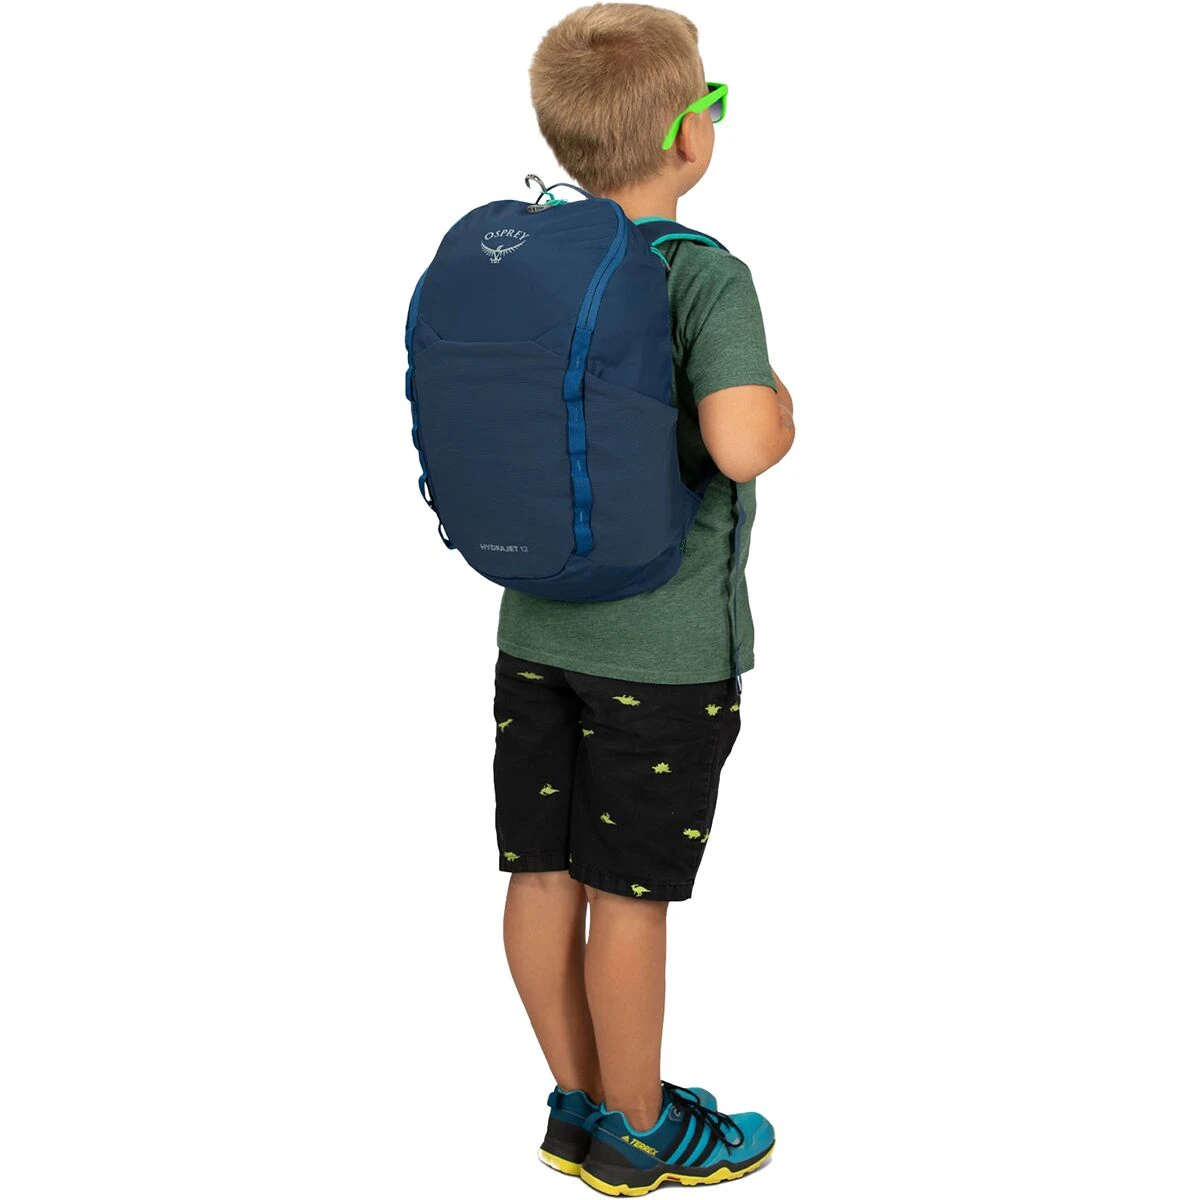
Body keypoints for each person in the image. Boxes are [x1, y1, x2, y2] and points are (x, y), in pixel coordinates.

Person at [494, 4, 793, 1192]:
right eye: (710, 99)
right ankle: (642, 1127)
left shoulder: (527, 263)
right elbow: (742, 444)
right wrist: (781, 403)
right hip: (660, 657)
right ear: (687, 132)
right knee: (630, 896)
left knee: (540, 874)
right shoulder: (704, 275)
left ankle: (577, 1103)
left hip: (534, 632)